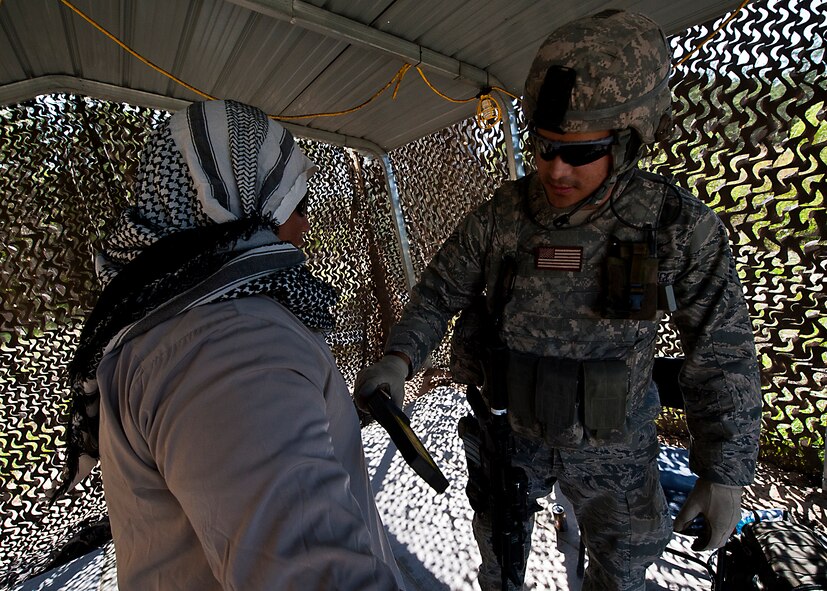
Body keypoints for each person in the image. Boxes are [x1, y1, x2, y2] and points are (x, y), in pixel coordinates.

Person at [355, 10, 761, 591]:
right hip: (510, 438)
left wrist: (725, 473)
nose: (555, 168)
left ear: (628, 142)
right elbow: (439, 290)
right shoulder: (504, 216)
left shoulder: (674, 228)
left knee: (619, 578)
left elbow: (722, 354)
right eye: (544, 147)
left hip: (616, 455)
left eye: (580, 151)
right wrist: (399, 358)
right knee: (501, 569)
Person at [59, 99, 406, 590]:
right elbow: (316, 574)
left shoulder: (165, 317)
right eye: (295, 204)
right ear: (238, 201)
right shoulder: (229, 343)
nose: (304, 225)